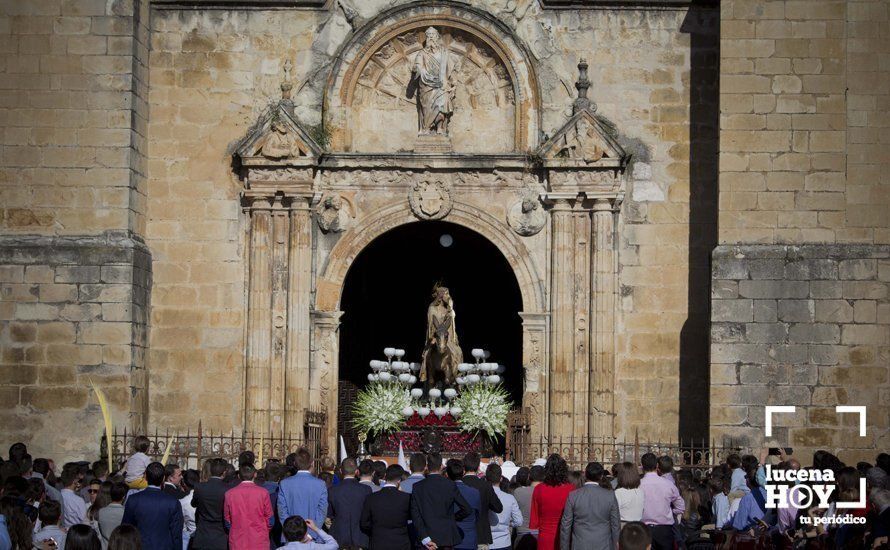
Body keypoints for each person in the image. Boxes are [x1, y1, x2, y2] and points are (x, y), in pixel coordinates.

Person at [409, 453, 472, 550]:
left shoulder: (418, 487)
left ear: (426, 466)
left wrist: (424, 538)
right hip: (446, 537)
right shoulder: (449, 485)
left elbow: (415, 515)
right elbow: (467, 509)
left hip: (427, 537)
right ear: (441, 466)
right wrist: (452, 518)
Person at [121, 461, 183, 550]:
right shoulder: (172, 502)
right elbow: (176, 534)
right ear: (163, 479)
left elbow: (126, 530)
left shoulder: (133, 500)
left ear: (145, 477)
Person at [558, 461, 620, 550]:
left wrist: (564, 547)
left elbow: (566, 525)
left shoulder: (573, 495)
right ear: (601, 476)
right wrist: (615, 546)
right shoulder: (610, 495)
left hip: (580, 543)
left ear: (585, 474)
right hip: (604, 543)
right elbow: (615, 525)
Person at [277, 448, 327, 542]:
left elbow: (282, 511)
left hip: (290, 536)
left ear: (295, 463)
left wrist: (291, 533)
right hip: (312, 538)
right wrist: (311, 534)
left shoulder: (284, 483)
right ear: (311, 463)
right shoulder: (320, 484)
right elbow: (322, 512)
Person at [360, 464, 412, 550]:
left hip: (378, 542)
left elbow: (364, 523)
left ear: (385, 476)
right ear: (399, 481)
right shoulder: (406, 498)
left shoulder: (372, 497)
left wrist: (376, 529)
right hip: (400, 543)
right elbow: (411, 517)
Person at [638, 453, 684, 550]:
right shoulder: (668, 484)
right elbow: (680, 506)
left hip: (644, 528)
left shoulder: (638, 485)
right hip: (664, 529)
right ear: (657, 465)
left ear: (642, 466)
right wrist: (670, 512)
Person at [529, 454, 575, 550]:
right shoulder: (571, 489)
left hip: (545, 537)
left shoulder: (539, 489)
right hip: (566, 537)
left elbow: (534, 520)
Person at [223, 463, 273, 549]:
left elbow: (227, 520)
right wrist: (263, 530)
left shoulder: (229, 494)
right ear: (255, 474)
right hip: (259, 539)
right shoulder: (263, 493)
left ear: (238, 476)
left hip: (237, 539)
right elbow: (270, 519)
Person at [326, 457, 370, 550]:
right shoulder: (366, 490)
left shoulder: (333, 490)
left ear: (341, 471)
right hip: (360, 537)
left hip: (339, 536)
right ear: (357, 471)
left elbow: (329, 514)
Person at [461, 452, 502, 547]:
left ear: (464, 466)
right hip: (480, 535)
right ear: (478, 466)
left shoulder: (457, 485)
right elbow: (498, 507)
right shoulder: (485, 486)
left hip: (461, 535)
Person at [191, 458, 229, 550]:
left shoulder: (200, 487)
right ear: (224, 473)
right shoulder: (228, 489)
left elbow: (194, 504)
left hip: (202, 536)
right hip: (220, 537)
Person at [485, 464, 522, 550]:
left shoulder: (481, 496)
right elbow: (519, 521)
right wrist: (509, 524)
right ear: (501, 478)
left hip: (487, 541)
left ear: (486, 479)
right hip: (504, 541)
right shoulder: (509, 498)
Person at [445, 459, 480, 550]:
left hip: (451, 539)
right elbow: (477, 516)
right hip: (469, 539)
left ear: (447, 475)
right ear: (463, 472)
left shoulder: (445, 492)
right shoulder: (474, 492)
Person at [513, 464, 543, 546]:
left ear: (529, 477)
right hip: (539, 533)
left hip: (522, 533)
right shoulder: (546, 493)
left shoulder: (518, 492)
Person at [179, 470, 198, 550]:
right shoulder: (206, 497)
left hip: (189, 537)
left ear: (185, 484)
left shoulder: (182, 502)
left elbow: (182, 525)